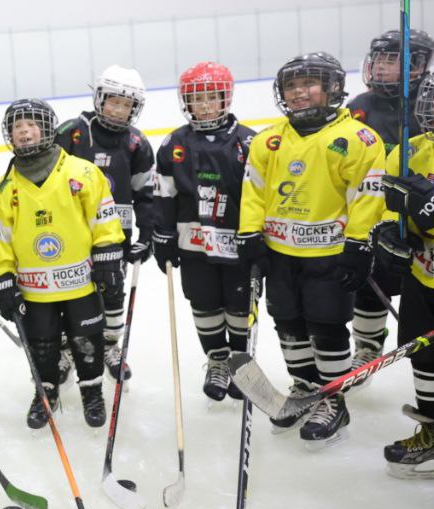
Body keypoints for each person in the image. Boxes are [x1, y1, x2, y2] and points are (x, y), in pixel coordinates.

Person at [236, 52, 385, 447]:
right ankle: (304, 387)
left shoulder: (357, 138)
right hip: (280, 252)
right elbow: (254, 191)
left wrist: (358, 244)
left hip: (330, 253)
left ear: (334, 88)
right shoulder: (268, 140)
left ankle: (332, 398)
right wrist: (250, 234)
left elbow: (367, 197)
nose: (299, 93)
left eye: (310, 84)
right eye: (291, 86)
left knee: (326, 324)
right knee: (287, 322)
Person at [0, 99, 125, 429]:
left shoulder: (83, 172)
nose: (24, 131)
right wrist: (2, 279)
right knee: (43, 345)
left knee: (86, 339)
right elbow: (0, 240)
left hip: (79, 282)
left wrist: (107, 260)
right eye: (17, 127)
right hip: (35, 289)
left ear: (48, 128)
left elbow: (104, 218)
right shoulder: (4, 189)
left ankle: (92, 392)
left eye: (31, 124)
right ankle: (46, 392)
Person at [154, 62, 256, 401]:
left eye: (213, 98)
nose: (206, 106)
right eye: (198, 99)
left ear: (226, 98)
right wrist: (163, 234)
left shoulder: (248, 142)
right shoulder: (174, 144)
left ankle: (240, 364)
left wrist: (260, 239)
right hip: (193, 243)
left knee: (239, 306)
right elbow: (164, 193)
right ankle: (217, 361)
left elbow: (260, 198)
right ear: (187, 102)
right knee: (204, 303)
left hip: (237, 245)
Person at [55, 65, 155, 383]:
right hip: (71, 235)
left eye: (127, 105)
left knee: (112, 293)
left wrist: (148, 233)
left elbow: (146, 194)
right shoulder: (73, 132)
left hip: (114, 236)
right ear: (99, 98)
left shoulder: (137, 143)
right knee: (71, 293)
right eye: (114, 101)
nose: (119, 109)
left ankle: (111, 346)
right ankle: (69, 348)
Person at [347, 30, 434, 368]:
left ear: (417, 65)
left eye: (392, 59)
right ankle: (367, 347)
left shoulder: (430, 105)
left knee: (424, 291)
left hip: (424, 219)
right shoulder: (358, 107)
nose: (381, 67)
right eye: (380, 59)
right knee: (369, 286)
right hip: (373, 219)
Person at [373, 64, 434, 478]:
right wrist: (389, 236)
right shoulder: (406, 148)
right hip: (423, 277)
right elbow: (390, 210)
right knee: (426, 358)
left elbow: (432, 210)